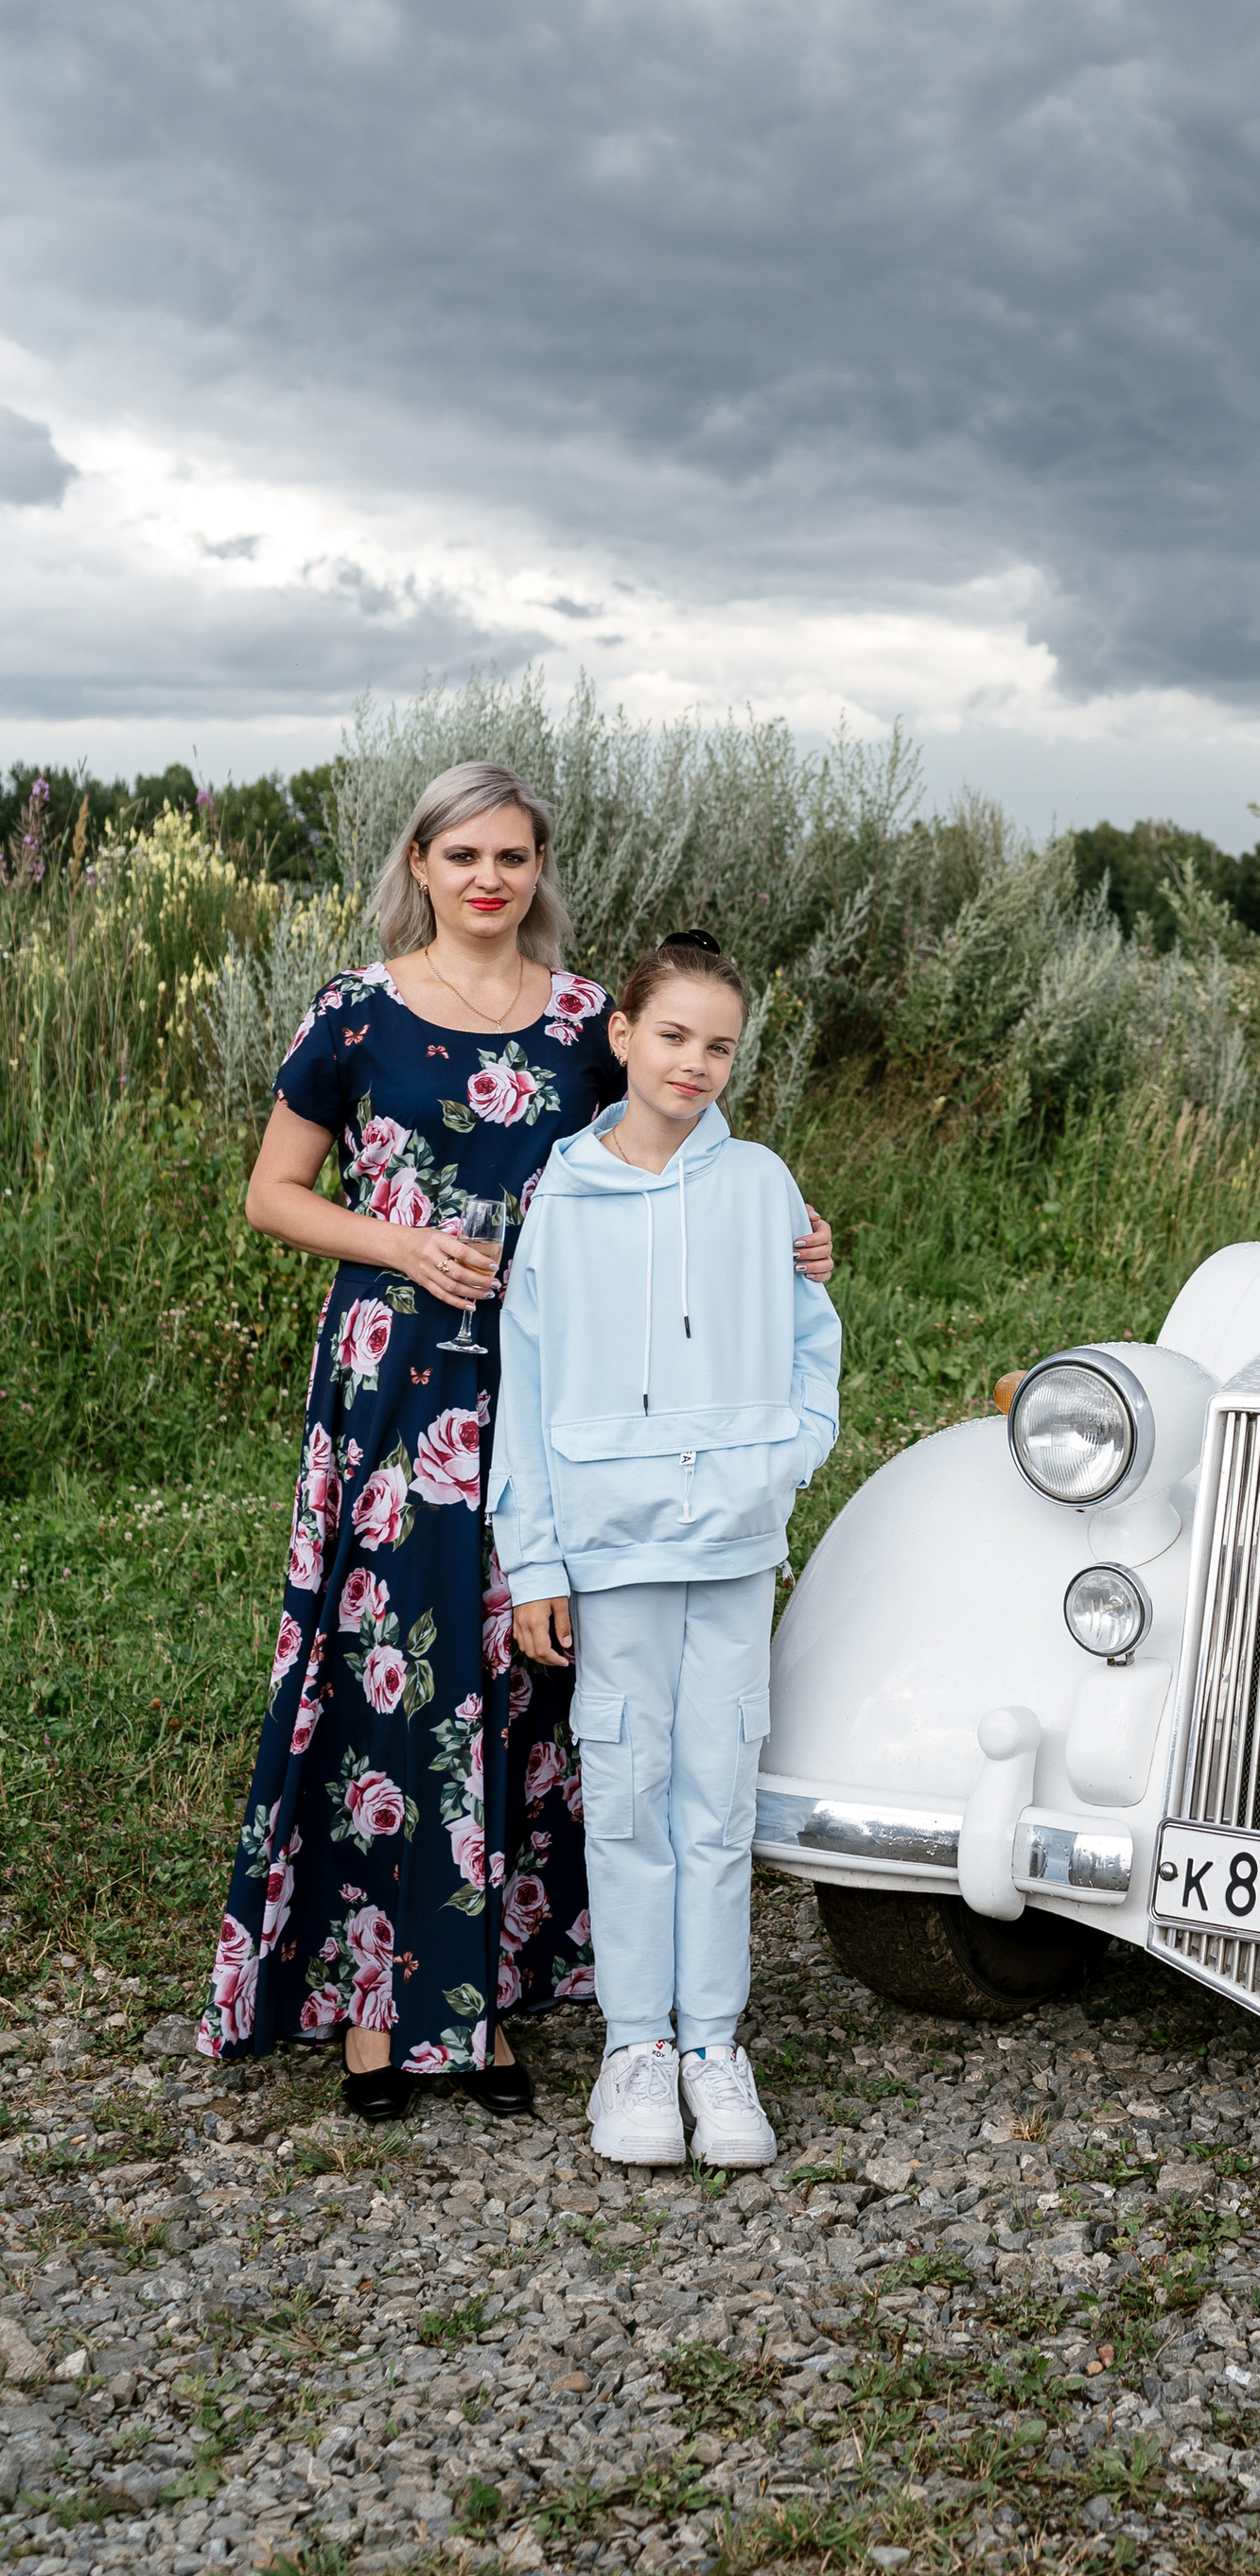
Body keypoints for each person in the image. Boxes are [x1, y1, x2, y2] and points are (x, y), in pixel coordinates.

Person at [201, 766, 835, 2121]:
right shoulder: (355, 1010)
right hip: (397, 1382)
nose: (490, 876)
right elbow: (271, 1191)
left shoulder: (576, 1018)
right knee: (391, 1668)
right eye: (464, 852)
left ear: (539, 868)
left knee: (527, 1675)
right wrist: (402, 1240)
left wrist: (786, 1235)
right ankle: (375, 2005)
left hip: (559, 1388)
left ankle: (489, 1995)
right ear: (419, 861)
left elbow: (669, 1145)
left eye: (514, 854)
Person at [493, 931, 841, 2172]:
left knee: (716, 1790)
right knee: (628, 1788)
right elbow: (525, 1382)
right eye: (675, 1034)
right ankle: (635, 2046)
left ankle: (714, 2045)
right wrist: (534, 1557)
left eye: (721, 1043)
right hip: (610, 1549)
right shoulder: (562, 1193)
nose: (696, 1061)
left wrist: (787, 1450)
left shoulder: (759, 1184)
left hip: (733, 1540)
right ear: (624, 1034)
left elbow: (813, 1333)